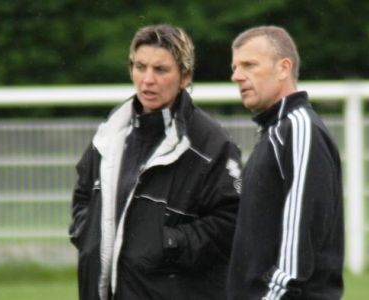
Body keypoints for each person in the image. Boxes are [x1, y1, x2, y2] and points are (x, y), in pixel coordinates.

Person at [69, 24, 242, 300]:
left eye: (160, 70)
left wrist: (168, 244)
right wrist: (87, 234)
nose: (147, 79)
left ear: (185, 77)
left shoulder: (212, 145)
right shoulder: (110, 133)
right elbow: (83, 195)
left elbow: (231, 223)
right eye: (140, 67)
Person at [227, 25, 344, 300]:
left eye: (249, 65)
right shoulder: (276, 131)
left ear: (283, 68)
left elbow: (298, 255)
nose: (236, 76)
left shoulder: (299, 129)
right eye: (234, 67)